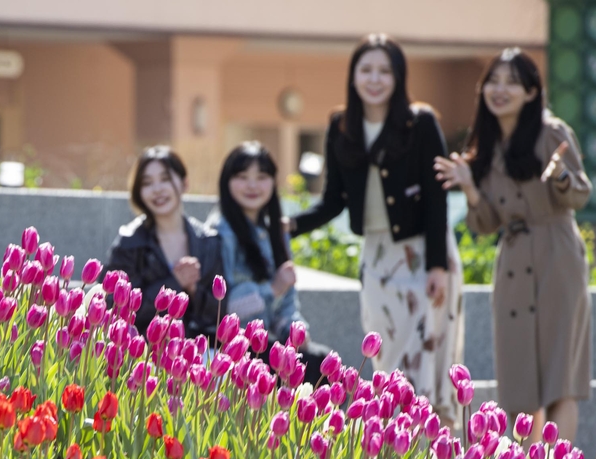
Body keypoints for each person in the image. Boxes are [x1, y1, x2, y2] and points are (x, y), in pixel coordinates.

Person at [289, 34, 463, 426]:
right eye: (366, 70)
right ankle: (395, 454)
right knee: (386, 355)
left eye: (385, 71)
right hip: (377, 259)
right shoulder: (341, 126)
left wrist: (437, 266)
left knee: (425, 355)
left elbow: (437, 199)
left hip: (424, 256)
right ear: (353, 77)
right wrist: (291, 226)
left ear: (399, 77)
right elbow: (333, 199)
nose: (375, 79)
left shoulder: (420, 123)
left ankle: (429, 454)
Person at [435, 49, 590, 443]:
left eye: (511, 82)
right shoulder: (485, 146)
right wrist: (469, 186)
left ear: (531, 91)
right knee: (519, 386)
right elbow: (485, 225)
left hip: (557, 255)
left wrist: (559, 179)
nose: (499, 90)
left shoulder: (550, 131)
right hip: (512, 262)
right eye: (493, 80)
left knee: (560, 381)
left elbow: (580, 194)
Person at [206, 141, 331, 383]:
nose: (252, 185)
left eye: (262, 176)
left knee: (320, 362)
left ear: (273, 182)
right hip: (229, 347)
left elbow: (286, 306)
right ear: (227, 182)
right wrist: (271, 288)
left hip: (268, 345)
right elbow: (223, 306)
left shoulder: (276, 233)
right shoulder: (218, 233)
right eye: (242, 177)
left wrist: (295, 331)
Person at [107, 146, 223, 339]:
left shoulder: (208, 241)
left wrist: (192, 289)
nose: (157, 189)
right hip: (141, 356)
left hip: (197, 355)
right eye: (147, 183)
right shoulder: (129, 243)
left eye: (165, 179)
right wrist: (175, 283)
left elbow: (218, 314)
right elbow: (115, 308)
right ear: (139, 192)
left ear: (184, 183)